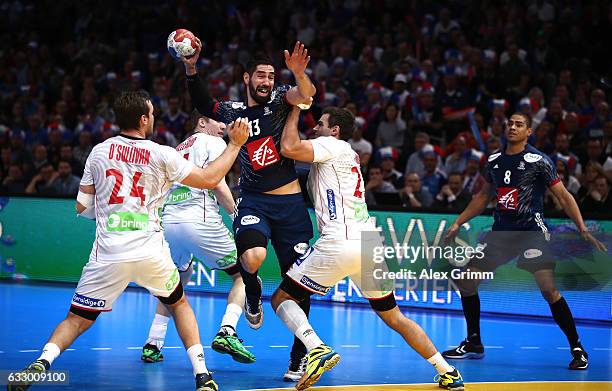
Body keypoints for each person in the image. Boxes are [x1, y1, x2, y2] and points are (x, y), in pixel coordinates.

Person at [9, 90, 250, 391]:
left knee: (77, 318)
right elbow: (208, 179)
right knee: (179, 304)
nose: (154, 117)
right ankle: (202, 375)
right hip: (150, 251)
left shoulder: (98, 152)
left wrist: (114, 212)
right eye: (151, 113)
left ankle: (40, 364)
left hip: (109, 252)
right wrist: (235, 144)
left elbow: (81, 208)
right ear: (143, 118)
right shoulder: (163, 153)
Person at [272, 105, 464, 390]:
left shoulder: (331, 145)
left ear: (334, 131)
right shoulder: (345, 155)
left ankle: (316, 348)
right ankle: (447, 370)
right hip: (368, 243)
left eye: (321, 124)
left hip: (341, 240)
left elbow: (288, 146)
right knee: (394, 316)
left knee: (281, 298)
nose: (315, 129)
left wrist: (296, 107)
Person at [183, 38, 317, 380]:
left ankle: (299, 356)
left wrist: (300, 74)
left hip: (290, 205)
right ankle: (253, 294)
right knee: (252, 258)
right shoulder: (233, 112)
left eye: (271, 76)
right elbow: (203, 102)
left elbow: (306, 94)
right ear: (247, 78)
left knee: (299, 283)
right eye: (260, 75)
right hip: (254, 199)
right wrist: (191, 68)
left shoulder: (281, 99)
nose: (267, 81)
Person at [443, 112, 606, 370]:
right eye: (510, 123)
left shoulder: (539, 161)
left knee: (548, 289)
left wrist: (582, 227)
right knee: (466, 279)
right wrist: (458, 221)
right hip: (501, 233)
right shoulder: (494, 159)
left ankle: (577, 347)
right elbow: (484, 196)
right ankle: (474, 341)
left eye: (519, 125)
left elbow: (563, 196)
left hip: (532, 231)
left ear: (529, 131)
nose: (513, 127)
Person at [141, 111, 255, 365]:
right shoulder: (213, 142)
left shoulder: (177, 148)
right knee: (245, 274)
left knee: (176, 281)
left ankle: (152, 343)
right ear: (202, 123)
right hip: (200, 219)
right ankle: (228, 331)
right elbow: (216, 183)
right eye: (219, 122)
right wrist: (238, 214)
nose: (224, 127)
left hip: (170, 221)